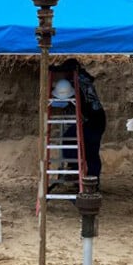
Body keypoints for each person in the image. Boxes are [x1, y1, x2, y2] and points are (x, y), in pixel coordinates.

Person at [50, 58, 106, 187]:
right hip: (95, 118)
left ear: (70, 71)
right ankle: (87, 178)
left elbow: (67, 100)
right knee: (86, 148)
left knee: (87, 149)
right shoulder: (83, 78)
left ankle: (83, 176)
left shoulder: (76, 81)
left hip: (92, 120)